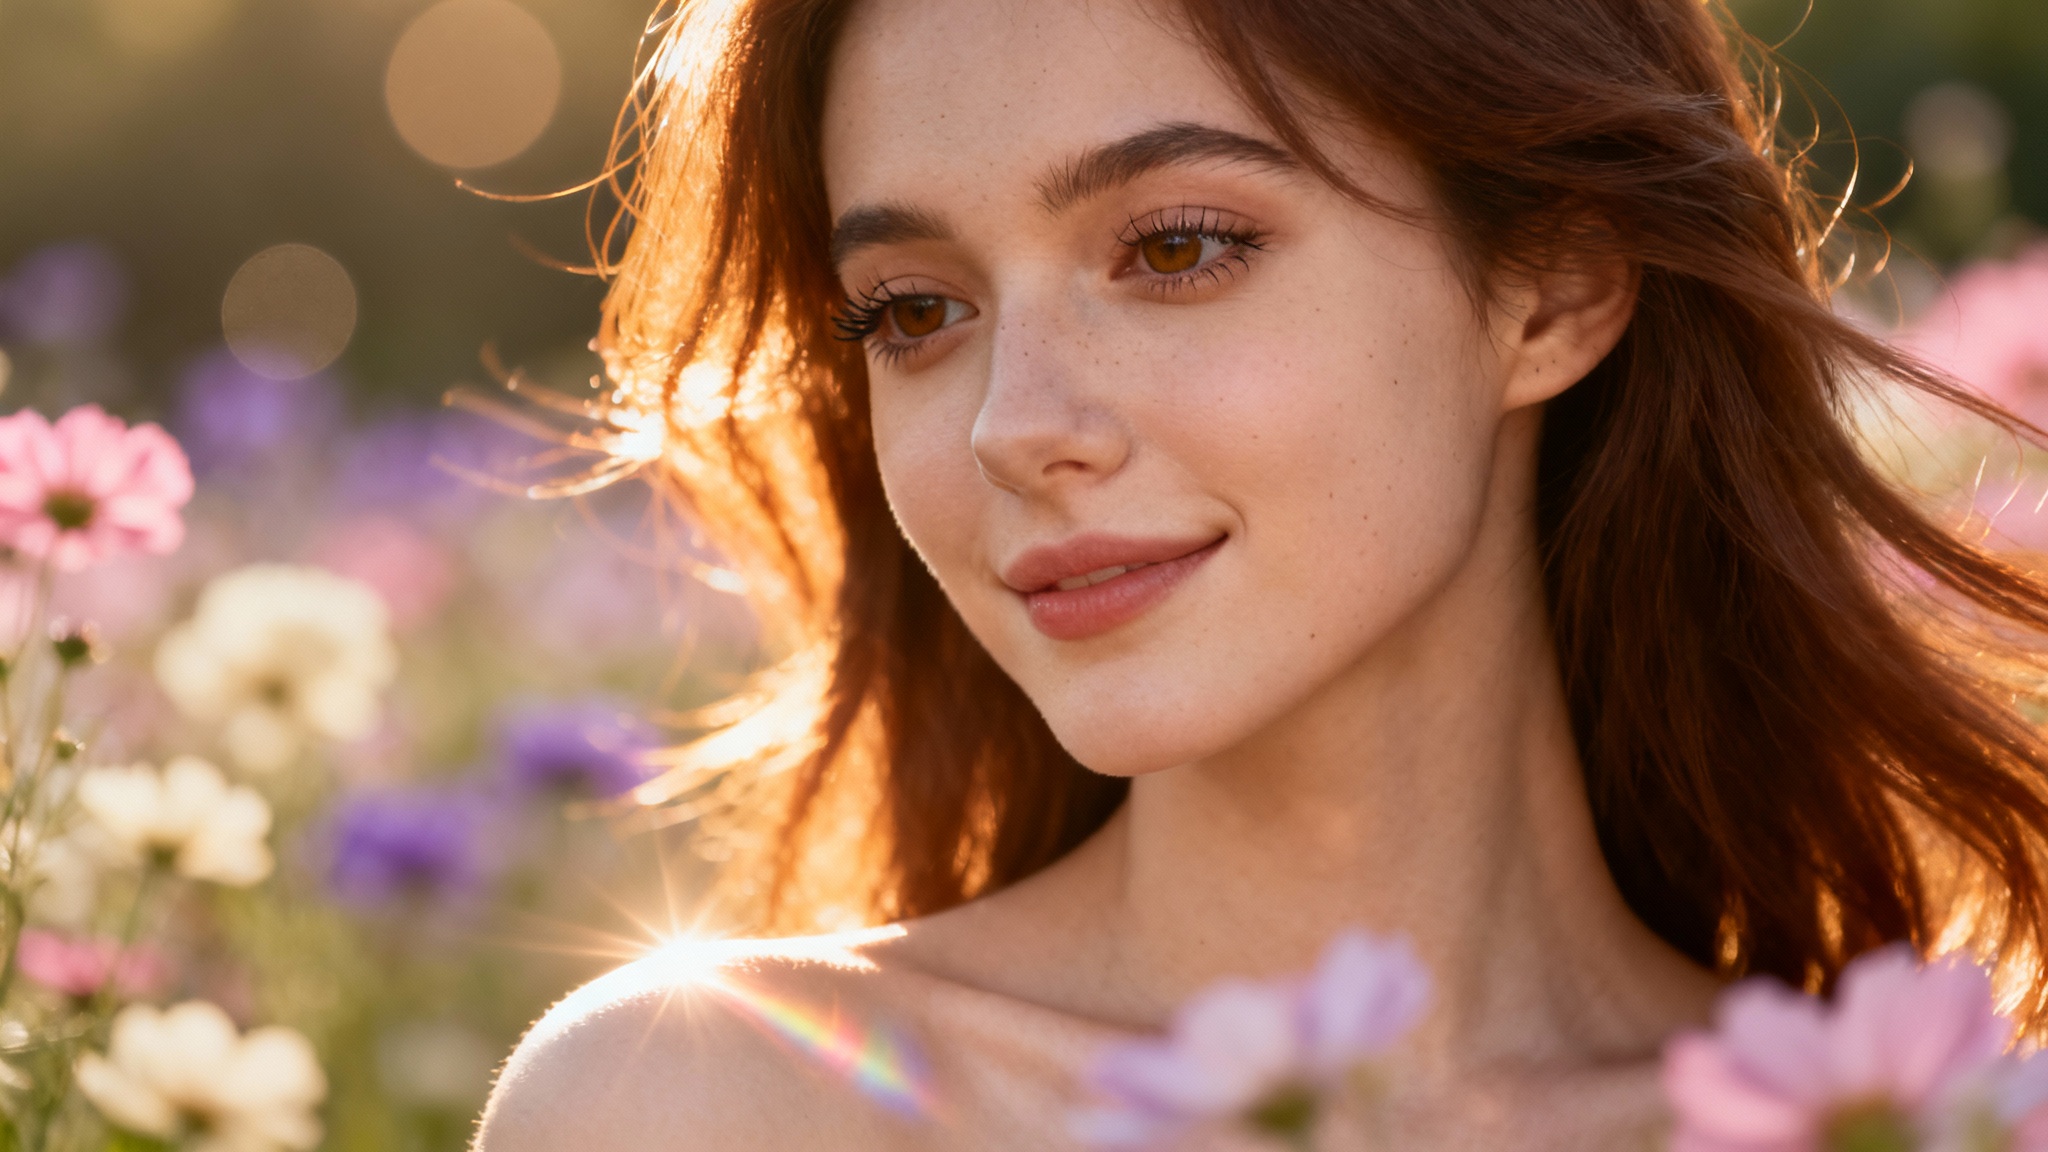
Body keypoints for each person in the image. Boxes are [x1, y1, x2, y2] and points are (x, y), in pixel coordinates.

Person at [476, 0, 2048, 1146]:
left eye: (1173, 247)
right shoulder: (711, 1105)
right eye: (911, 311)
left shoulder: (1900, 1128)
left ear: (1557, 284)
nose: (1016, 429)